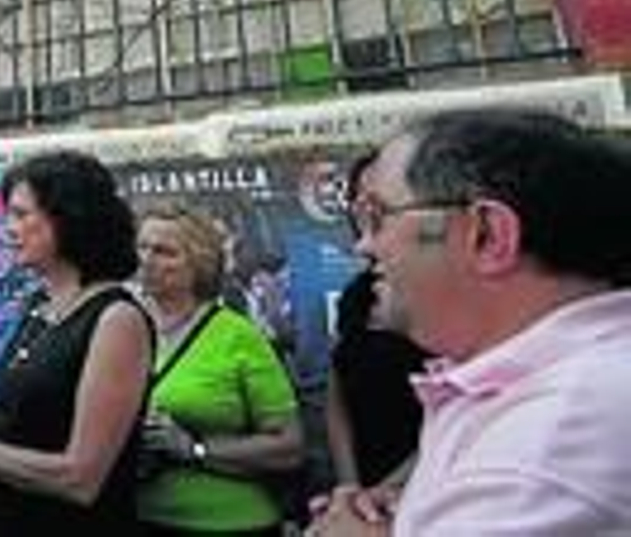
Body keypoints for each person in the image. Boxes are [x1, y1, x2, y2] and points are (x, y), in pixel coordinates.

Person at [309, 108, 631, 535]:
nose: (363, 246)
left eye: (377, 215)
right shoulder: (540, 394)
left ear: (488, 234)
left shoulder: (542, 452)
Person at [0, 149, 153, 535]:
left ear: (70, 218)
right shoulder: (38, 307)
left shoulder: (116, 320)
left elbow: (81, 478)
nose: (7, 230)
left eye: (21, 214)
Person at [135, 203, 304, 536]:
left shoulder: (237, 336)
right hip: (137, 518)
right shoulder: (123, 327)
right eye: (141, 247)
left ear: (199, 264)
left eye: (164, 252)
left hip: (229, 524)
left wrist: (191, 448)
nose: (147, 260)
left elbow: (289, 446)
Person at [324, 154, 426, 492]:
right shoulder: (357, 295)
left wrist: (384, 494)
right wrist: (351, 487)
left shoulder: (445, 298)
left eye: (380, 205)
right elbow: (337, 391)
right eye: (358, 203)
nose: (366, 217)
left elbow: (464, 410)